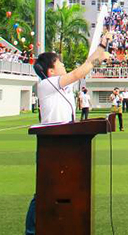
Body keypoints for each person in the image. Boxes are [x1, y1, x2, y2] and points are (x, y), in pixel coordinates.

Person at [25, 41, 111, 235]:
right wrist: (98, 56)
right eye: (60, 63)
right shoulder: (47, 84)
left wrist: (102, 45)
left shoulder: (61, 86)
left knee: (59, 188)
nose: (64, 66)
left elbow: (86, 64)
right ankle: (31, 230)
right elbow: (79, 72)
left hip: (65, 142)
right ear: (51, 71)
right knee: (44, 190)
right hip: (52, 143)